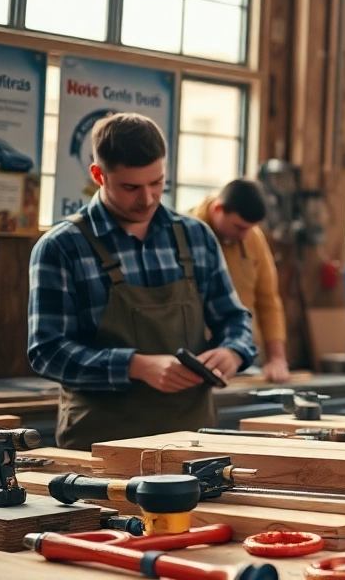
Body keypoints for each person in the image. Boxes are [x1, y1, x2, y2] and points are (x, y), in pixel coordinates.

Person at [29, 113, 257, 451]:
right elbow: (47, 351)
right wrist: (134, 366)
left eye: (157, 182)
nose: (148, 198)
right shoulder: (61, 247)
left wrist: (233, 351)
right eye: (131, 187)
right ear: (98, 175)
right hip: (101, 445)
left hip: (191, 443)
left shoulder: (195, 237)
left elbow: (234, 318)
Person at [190, 180, 290, 383]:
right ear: (218, 209)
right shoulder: (187, 233)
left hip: (240, 354)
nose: (245, 236)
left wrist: (277, 358)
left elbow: (268, 300)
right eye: (239, 227)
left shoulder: (253, 238)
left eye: (251, 228)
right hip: (195, 356)